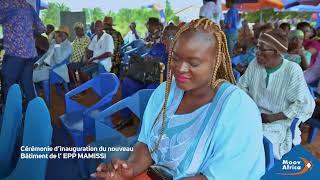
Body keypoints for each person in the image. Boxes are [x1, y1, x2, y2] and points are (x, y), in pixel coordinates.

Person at [92, 18, 265, 180]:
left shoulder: (237, 109)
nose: (180, 68)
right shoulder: (165, 92)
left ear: (216, 62)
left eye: (194, 63)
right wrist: (131, 167)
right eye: (175, 58)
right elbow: (147, 142)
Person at [238, 30, 315, 160]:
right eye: (257, 47)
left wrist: (271, 118)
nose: (257, 52)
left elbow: (304, 104)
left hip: (279, 122)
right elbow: (241, 87)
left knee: (254, 142)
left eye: (262, 49)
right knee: (230, 133)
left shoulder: (292, 70)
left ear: (276, 52)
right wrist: (249, 109)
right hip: (255, 116)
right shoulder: (255, 64)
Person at [115, 24, 180, 130]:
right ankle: (126, 116)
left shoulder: (179, 52)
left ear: (173, 38)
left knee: (148, 91)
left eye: (165, 36)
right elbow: (148, 57)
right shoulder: (159, 46)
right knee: (128, 82)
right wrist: (146, 61)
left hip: (162, 82)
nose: (162, 37)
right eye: (163, 35)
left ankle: (146, 123)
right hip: (149, 76)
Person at [0, 0, 46, 104]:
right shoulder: (28, 6)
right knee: (28, 85)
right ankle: (34, 116)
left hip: (15, 53)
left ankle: (12, 118)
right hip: (30, 53)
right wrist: (27, 33)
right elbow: (41, 28)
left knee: (10, 87)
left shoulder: (5, 3)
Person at [69, 22, 91, 87]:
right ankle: (75, 84)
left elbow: (88, 51)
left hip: (81, 60)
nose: (77, 32)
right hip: (73, 60)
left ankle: (76, 84)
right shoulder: (76, 38)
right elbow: (72, 46)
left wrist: (85, 58)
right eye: (76, 30)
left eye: (78, 30)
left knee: (69, 67)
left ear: (82, 30)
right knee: (66, 66)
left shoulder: (86, 39)